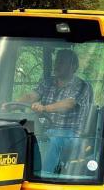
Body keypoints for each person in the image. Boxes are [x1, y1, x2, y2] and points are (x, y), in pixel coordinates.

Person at [13, 48, 92, 176]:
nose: (57, 65)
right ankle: (16, 174)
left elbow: (69, 103)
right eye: (57, 61)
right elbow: (31, 96)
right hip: (45, 130)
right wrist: (12, 105)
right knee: (20, 134)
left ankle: (43, 176)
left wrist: (44, 108)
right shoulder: (48, 82)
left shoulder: (82, 86)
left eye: (61, 62)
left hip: (71, 135)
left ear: (73, 66)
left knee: (54, 141)